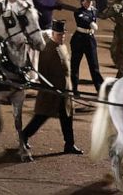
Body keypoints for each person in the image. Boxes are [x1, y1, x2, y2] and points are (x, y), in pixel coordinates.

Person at [20, 20, 82, 155]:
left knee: (67, 118)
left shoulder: (63, 47)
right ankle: (24, 136)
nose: (62, 37)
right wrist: (50, 88)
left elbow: (67, 70)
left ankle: (69, 144)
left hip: (65, 90)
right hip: (52, 92)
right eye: (59, 35)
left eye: (63, 34)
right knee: (41, 117)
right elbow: (43, 73)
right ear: (53, 34)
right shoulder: (47, 49)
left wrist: (71, 87)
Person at [70, 0, 103, 97]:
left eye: (90, 1)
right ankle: (74, 88)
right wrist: (90, 23)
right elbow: (82, 19)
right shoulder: (78, 12)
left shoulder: (94, 10)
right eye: (87, 1)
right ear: (82, 1)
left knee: (94, 65)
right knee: (75, 65)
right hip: (79, 38)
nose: (89, 3)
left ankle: (99, 88)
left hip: (90, 38)